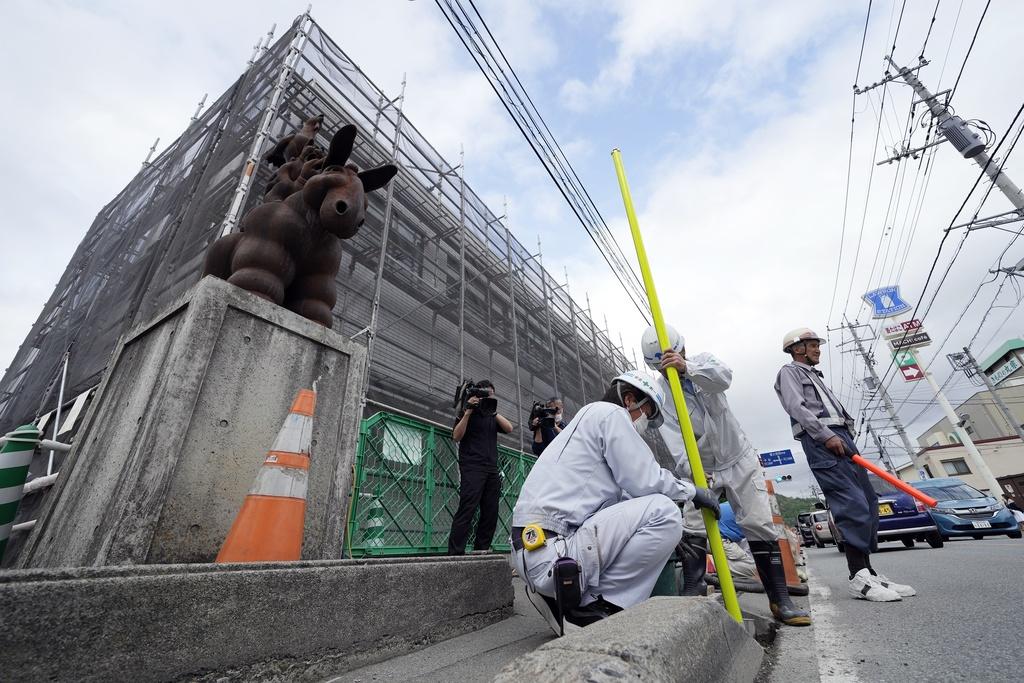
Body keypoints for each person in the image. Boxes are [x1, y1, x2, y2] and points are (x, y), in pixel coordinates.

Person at [510, 370, 720, 635]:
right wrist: (692, 492)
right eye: (646, 413)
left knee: (655, 510)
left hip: (534, 549)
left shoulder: (586, 426)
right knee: (665, 513)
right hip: (554, 554)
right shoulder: (611, 414)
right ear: (629, 399)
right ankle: (596, 608)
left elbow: (629, 499)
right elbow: (646, 479)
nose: (645, 422)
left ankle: (559, 598)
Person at [641, 325, 811, 626]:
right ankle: (694, 590)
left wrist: (688, 368)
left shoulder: (704, 363)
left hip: (738, 457)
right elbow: (675, 442)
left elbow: (725, 378)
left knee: (758, 522)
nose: (668, 370)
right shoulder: (661, 395)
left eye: (673, 359)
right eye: (661, 367)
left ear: (682, 349)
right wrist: (693, 472)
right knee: (693, 522)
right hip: (702, 466)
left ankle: (780, 600)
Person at [775, 328, 916, 602]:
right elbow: (796, 407)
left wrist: (843, 434)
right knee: (851, 503)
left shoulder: (815, 375)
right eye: (812, 345)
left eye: (817, 345)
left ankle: (869, 572)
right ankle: (858, 577)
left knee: (868, 501)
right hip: (821, 440)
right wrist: (825, 435)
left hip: (841, 437)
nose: (818, 349)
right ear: (797, 349)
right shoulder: (790, 372)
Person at [448, 379, 514, 555]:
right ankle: (455, 552)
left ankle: (481, 549)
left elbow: (509, 428)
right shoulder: (466, 411)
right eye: (485, 394)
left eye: (491, 395)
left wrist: (493, 411)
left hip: (491, 468)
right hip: (472, 466)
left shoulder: (491, 415)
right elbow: (456, 436)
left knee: (491, 511)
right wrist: (468, 411)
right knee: (467, 508)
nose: (488, 397)